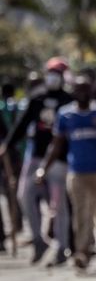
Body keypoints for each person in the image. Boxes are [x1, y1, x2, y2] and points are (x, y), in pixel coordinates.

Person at [37, 76, 96, 269]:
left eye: (85, 88)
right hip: (77, 172)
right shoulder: (66, 115)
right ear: (73, 91)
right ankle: (82, 252)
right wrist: (43, 169)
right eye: (78, 89)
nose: (82, 92)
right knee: (81, 213)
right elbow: (56, 145)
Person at [2, 59, 73, 266]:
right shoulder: (37, 100)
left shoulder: (68, 101)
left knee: (58, 205)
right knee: (24, 196)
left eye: (56, 74)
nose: (52, 78)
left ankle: (62, 247)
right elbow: (21, 126)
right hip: (35, 157)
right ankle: (39, 241)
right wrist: (7, 145)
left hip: (59, 160)